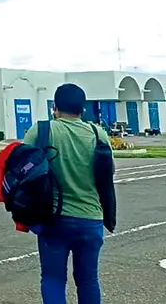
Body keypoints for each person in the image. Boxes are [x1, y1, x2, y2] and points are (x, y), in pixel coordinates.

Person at [24, 83, 115, 304]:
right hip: (91, 219)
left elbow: (22, 166)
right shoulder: (98, 133)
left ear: (54, 107)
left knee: (53, 279)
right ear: (82, 109)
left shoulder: (42, 130)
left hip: (54, 219)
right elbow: (108, 172)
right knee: (88, 279)